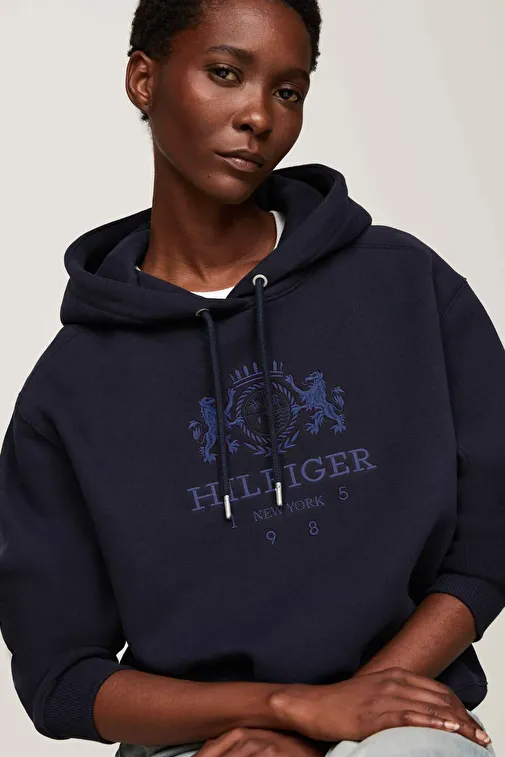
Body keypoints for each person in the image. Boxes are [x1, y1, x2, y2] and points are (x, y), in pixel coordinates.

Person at [0, 0, 504, 756]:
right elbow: (61, 678)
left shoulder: (405, 285)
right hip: (202, 741)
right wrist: (288, 709)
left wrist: (349, 710)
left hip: (399, 716)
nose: (259, 116)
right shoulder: (69, 388)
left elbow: (489, 544)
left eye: (288, 90)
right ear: (144, 79)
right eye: (225, 73)